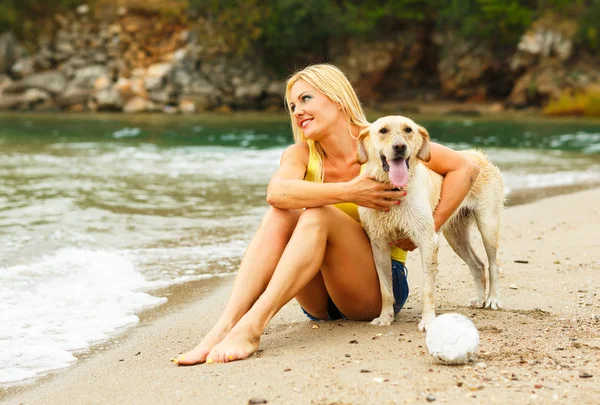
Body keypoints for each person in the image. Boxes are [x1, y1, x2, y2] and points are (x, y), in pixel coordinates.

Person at [173, 63, 480, 365]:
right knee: (282, 214)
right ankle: (226, 325)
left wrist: (432, 226)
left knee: (317, 215)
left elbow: (465, 167)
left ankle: (252, 328)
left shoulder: (381, 137)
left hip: (374, 292)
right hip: (318, 299)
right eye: (292, 105)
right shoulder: (300, 154)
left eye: (306, 99)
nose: (297, 111)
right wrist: (350, 191)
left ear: (337, 99)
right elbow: (276, 193)